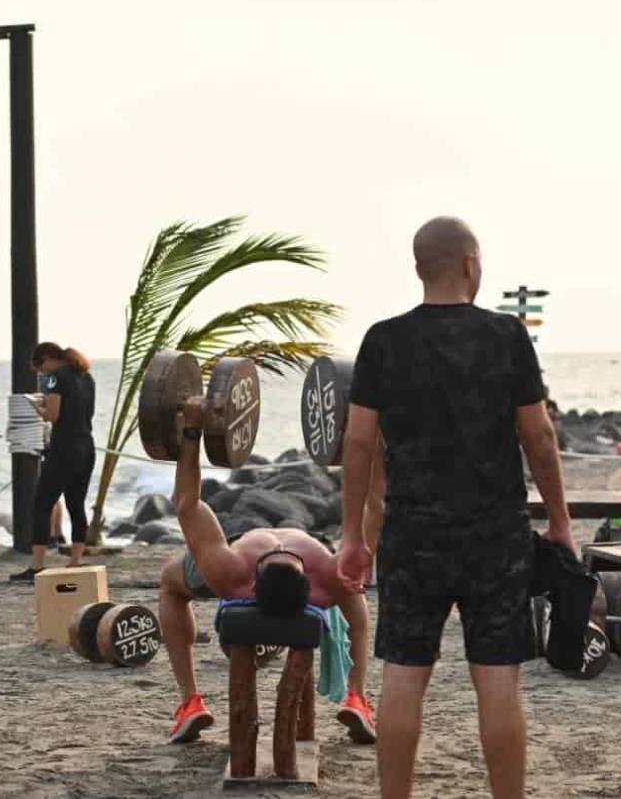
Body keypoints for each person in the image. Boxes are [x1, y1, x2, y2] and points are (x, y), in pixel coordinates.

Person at [336, 217, 576, 799]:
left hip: (413, 535)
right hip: (495, 535)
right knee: (498, 682)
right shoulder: (506, 335)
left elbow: (359, 442)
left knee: (403, 678)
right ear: (471, 264)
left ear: (420, 268)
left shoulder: (383, 341)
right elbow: (538, 436)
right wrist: (560, 522)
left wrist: (353, 537)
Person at [159, 394, 376, 745]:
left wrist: (192, 430)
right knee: (354, 595)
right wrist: (368, 438)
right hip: (312, 552)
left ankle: (191, 702)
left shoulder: (229, 575)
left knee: (171, 584)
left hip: (244, 545)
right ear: (310, 590)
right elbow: (375, 505)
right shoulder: (329, 580)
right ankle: (357, 696)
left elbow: (186, 502)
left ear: (251, 591)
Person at [10, 343, 96, 581]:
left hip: (64, 447)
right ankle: (76, 561)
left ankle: (37, 565)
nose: (41, 374)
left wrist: (38, 407)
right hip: (86, 445)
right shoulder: (86, 376)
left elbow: (53, 415)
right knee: (76, 503)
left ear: (47, 359)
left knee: (42, 503)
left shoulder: (55, 378)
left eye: (40, 369)